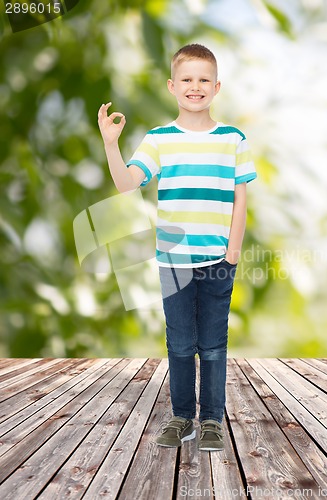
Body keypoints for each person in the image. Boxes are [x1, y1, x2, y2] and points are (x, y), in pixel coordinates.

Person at [98, 43, 257, 451]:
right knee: (181, 342)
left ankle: (211, 420)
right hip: (174, 261)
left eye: (204, 79)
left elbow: (241, 197)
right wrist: (111, 143)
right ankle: (182, 416)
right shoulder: (159, 139)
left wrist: (234, 249)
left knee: (214, 343)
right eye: (187, 79)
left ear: (217, 86)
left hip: (220, 258)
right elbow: (126, 184)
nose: (195, 87)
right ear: (172, 85)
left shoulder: (232, 139)